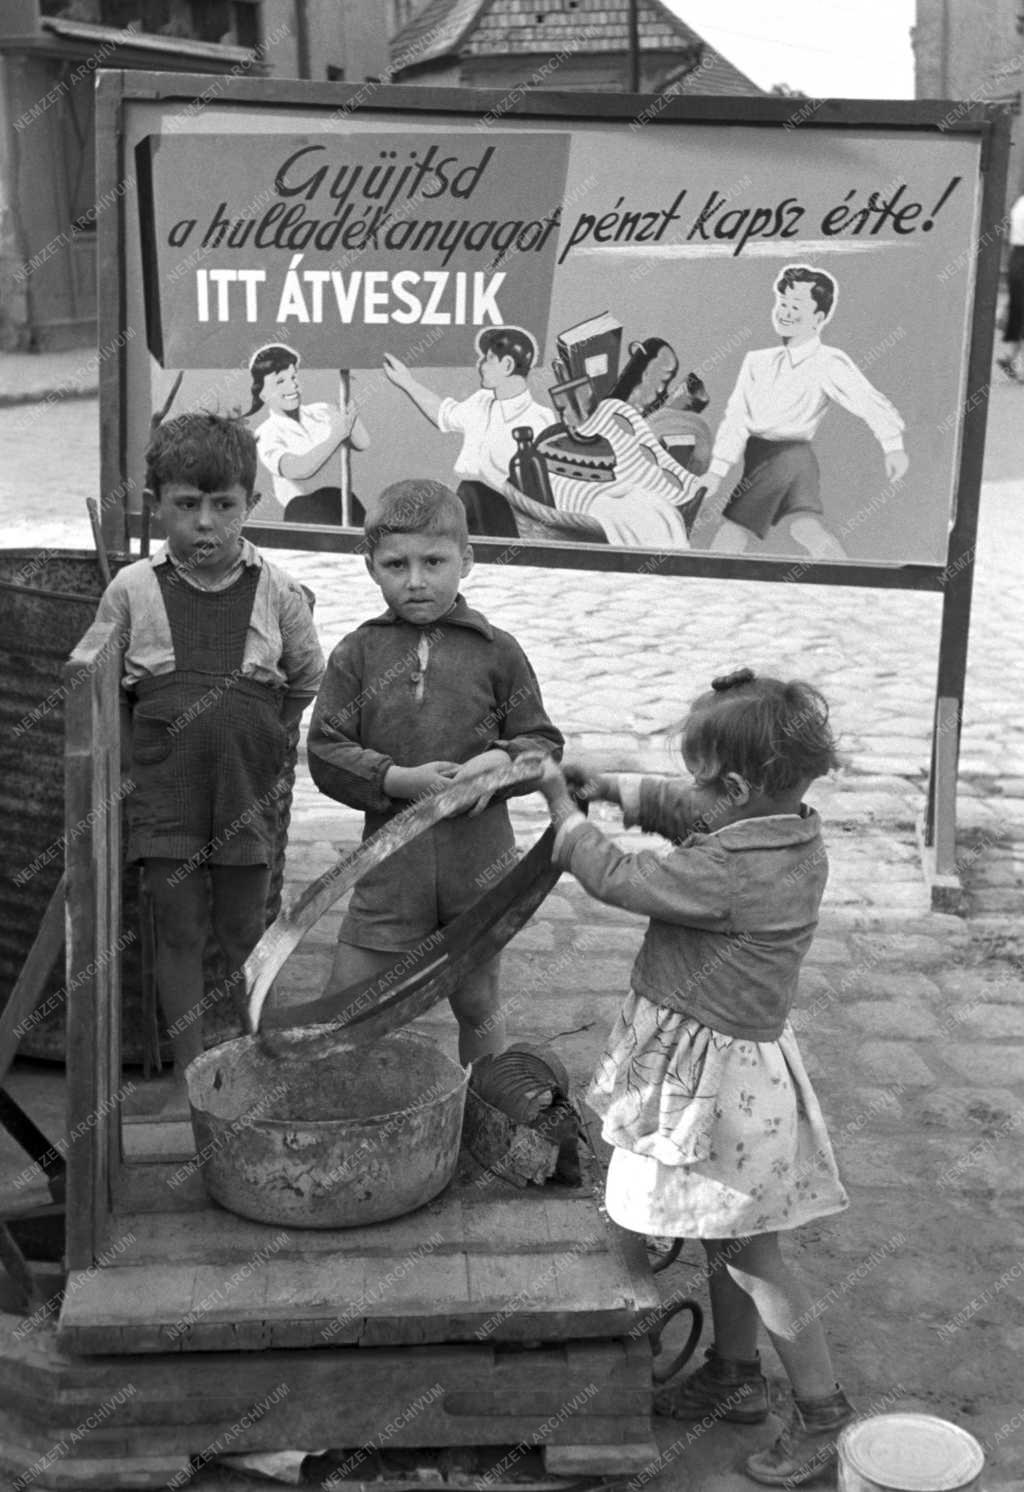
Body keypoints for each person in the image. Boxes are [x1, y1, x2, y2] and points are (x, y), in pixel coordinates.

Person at [533, 668, 854, 1486]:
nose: (696, 793)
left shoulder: (729, 872)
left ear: (740, 786)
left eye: (709, 778)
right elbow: (694, 810)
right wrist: (618, 790)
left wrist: (569, 818)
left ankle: (823, 1414)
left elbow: (621, 879)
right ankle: (734, 1377)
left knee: (753, 1255)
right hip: (724, 1075)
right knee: (725, 1240)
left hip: (713, 1092)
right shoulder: (787, 830)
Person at [97, 413, 325, 1088]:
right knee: (178, 932)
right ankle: (191, 1073)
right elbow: (105, 688)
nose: (205, 522)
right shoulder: (133, 590)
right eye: (186, 505)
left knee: (247, 931)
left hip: (244, 794)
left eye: (223, 504)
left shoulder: (277, 591)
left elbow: (306, 675)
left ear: (249, 504)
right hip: (166, 797)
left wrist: (262, 737)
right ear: (155, 505)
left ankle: (259, 1062)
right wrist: (134, 766)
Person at [306, 478, 563, 1064]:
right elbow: (325, 749)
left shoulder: (498, 651)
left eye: (434, 561)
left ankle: (485, 1114)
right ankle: (336, 1110)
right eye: (396, 564)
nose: (416, 579)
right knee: (345, 1002)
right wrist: (396, 780)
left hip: (481, 865)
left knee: (477, 1002)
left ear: (466, 561)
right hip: (391, 868)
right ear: (372, 567)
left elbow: (543, 743)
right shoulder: (358, 653)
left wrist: (498, 764)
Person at [699, 265, 909, 560]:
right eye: (782, 303)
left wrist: (893, 446)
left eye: (795, 306)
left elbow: (867, 400)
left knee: (734, 530)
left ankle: (709, 582)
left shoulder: (828, 362)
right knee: (804, 529)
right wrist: (717, 471)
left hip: (789, 459)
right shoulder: (756, 362)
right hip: (757, 456)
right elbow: (736, 417)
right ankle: (842, 570)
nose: (785, 311)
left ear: (819, 318)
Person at [531, 337, 704, 548]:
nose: (661, 389)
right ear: (641, 367)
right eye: (660, 377)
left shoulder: (658, 419)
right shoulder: (612, 409)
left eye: (667, 382)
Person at [382, 326, 553, 537]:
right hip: (468, 507)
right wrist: (406, 381)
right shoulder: (481, 401)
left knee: (470, 494)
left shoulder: (540, 419)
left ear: (507, 365)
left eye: (488, 359)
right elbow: (445, 414)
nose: (480, 365)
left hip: (510, 520)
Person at [248, 342, 370, 525]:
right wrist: (336, 436)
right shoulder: (266, 433)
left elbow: (362, 443)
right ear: (263, 394)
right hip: (304, 511)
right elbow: (297, 469)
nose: (292, 386)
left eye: (293, 377)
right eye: (280, 381)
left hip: (344, 502)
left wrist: (349, 408)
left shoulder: (323, 410)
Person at [997, 191, 1024, 382]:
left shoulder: (1019, 203)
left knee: (1018, 310)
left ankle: (1010, 356)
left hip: (1016, 258)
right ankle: (1012, 358)